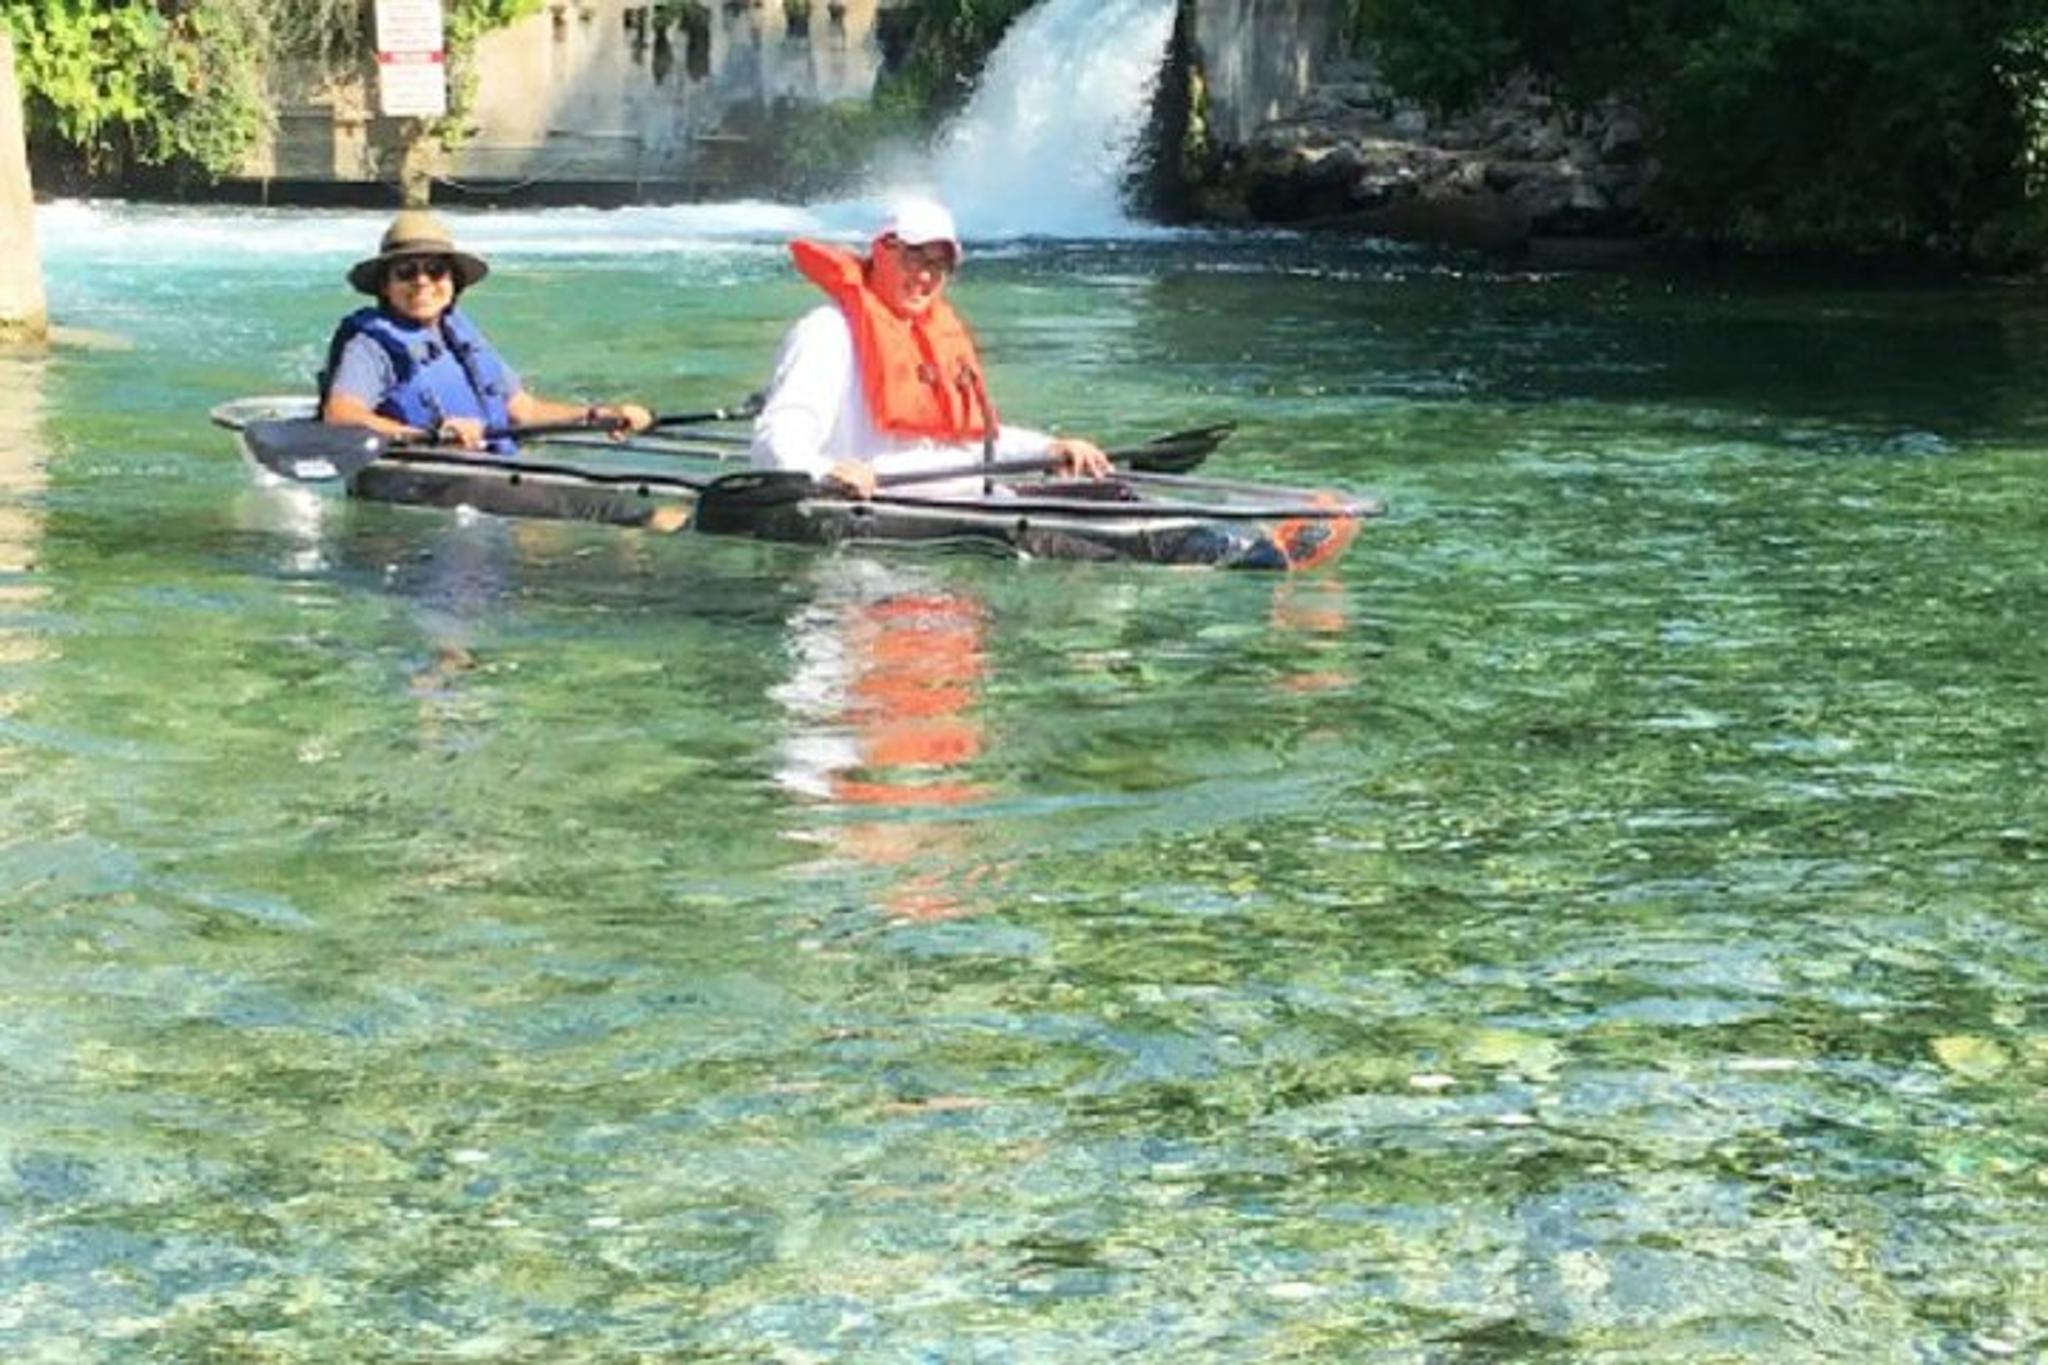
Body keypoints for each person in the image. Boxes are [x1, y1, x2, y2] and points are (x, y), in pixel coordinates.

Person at [750, 198, 1111, 498]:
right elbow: (777, 442)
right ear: (882, 251)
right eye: (914, 257)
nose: (925, 276)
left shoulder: (936, 338)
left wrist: (1046, 449)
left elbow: (968, 449)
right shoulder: (828, 333)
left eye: (939, 265)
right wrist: (825, 473)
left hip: (958, 504)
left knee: (1113, 498)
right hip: (877, 519)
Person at [321, 210, 652, 454]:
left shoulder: (459, 334)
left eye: (435, 271)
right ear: (385, 286)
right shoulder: (369, 346)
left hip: (496, 471)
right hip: (432, 479)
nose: (422, 282)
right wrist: (428, 433)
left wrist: (599, 415)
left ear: (453, 283)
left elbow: (524, 410)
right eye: (406, 272)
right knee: (641, 519)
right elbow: (341, 416)